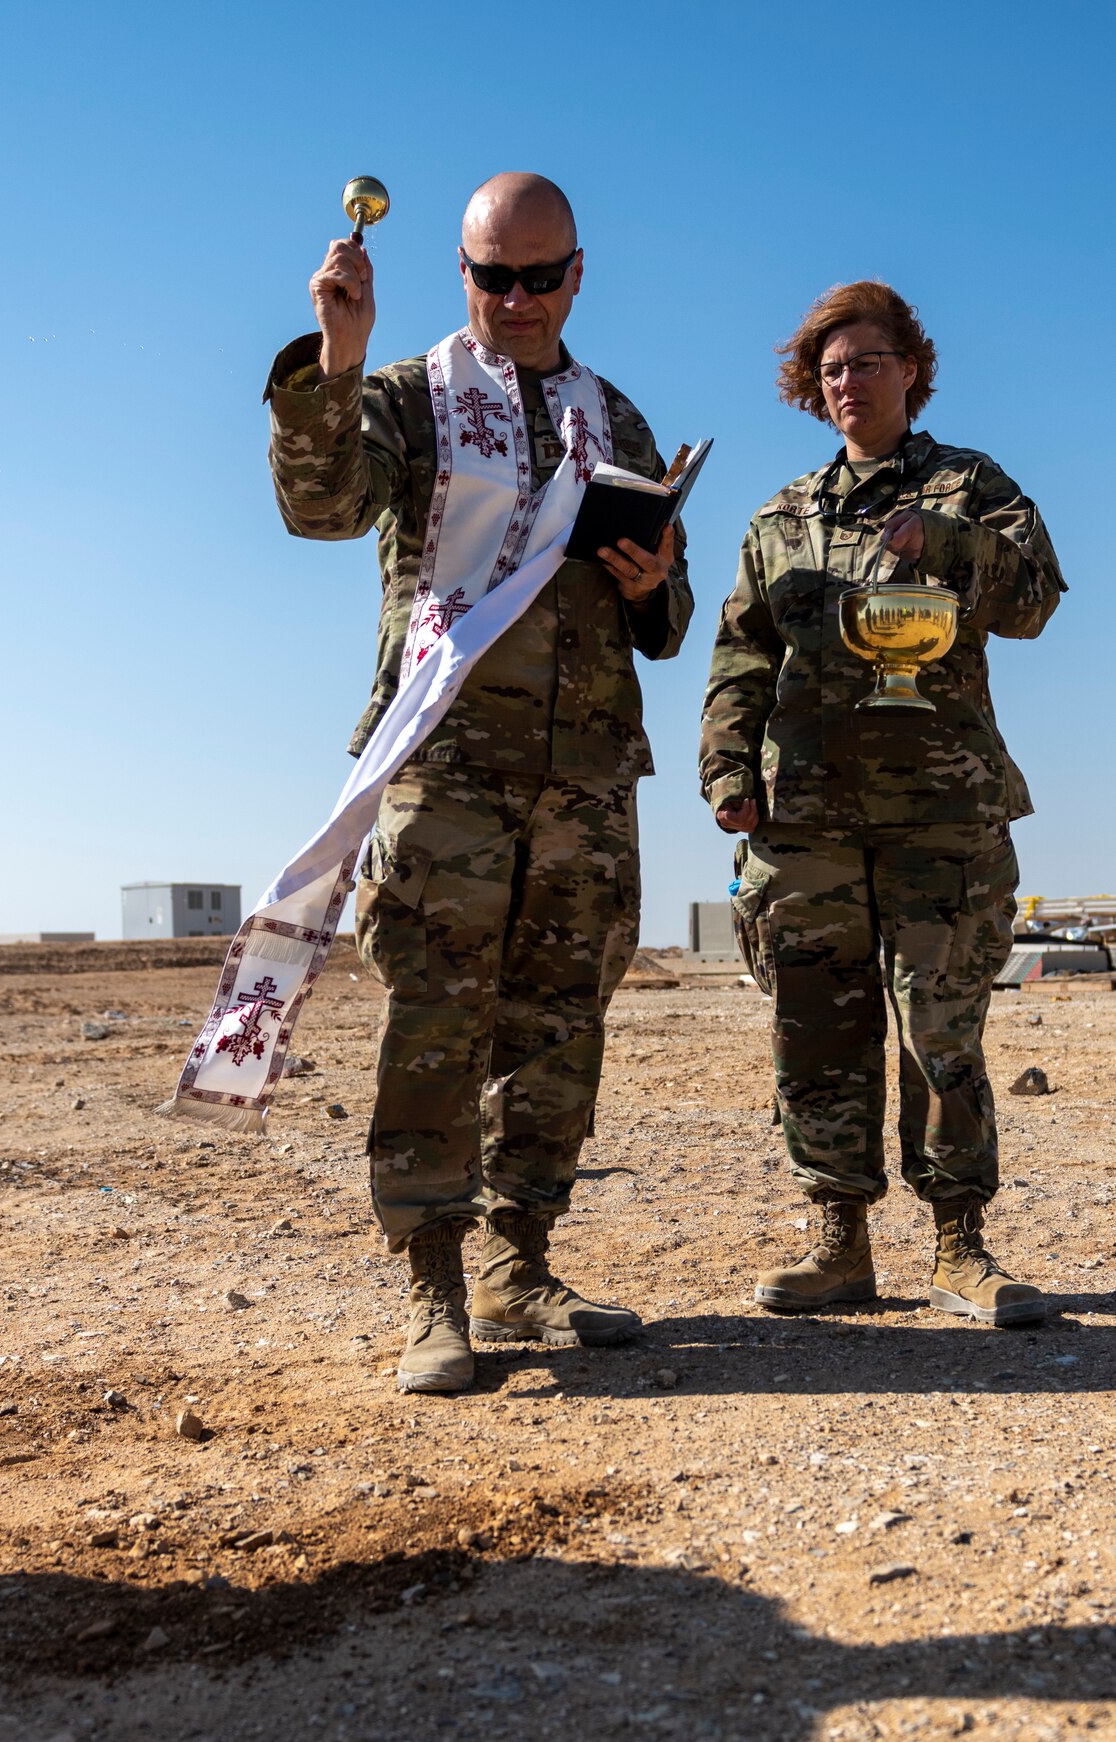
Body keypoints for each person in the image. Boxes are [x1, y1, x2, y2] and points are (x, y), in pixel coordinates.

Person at [266, 172, 693, 1393]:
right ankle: (432, 1287)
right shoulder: (410, 397)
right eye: (492, 275)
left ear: (575, 275)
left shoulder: (617, 419)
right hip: (446, 770)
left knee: (560, 1030)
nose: (516, 298)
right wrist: (335, 358)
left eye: (539, 276)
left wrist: (649, 574)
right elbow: (321, 507)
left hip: (586, 783)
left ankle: (520, 1261)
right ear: (462, 273)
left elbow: (667, 620)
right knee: (438, 1029)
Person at [700, 280, 1065, 1325]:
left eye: (865, 362)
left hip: (942, 814)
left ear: (910, 368)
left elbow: (1036, 600)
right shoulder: (779, 516)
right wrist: (727, 773)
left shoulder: (969, 486)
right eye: (829, 371)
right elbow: (739, 659)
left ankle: (960, 1242)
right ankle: (839, 1239)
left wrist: (942, 544)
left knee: (941, 1030)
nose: (847, 382)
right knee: (816, 1025)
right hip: (803, 818)